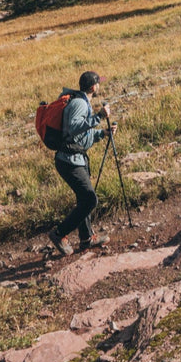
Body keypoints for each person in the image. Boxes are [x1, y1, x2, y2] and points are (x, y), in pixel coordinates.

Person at [49, 70, 113, 255]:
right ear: (93, 87)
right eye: (99, 83)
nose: (100, 85)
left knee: (83, 198)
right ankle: (59, 233)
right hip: (69, 161)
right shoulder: (79, 103)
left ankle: (86, 239)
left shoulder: (81, 102)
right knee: (90, 199)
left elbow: (81, 137)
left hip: (73, 158)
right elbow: (75, 128)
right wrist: (99, 117)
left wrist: (103, 133)